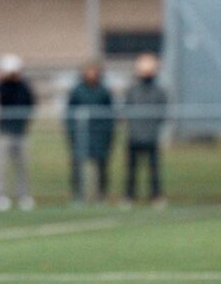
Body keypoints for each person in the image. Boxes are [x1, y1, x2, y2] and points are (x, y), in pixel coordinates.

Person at [65, 61, 116, 204]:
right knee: (78, 165)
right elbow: (69, 112)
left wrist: (107, 132)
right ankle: (78, 195)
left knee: (101, 165)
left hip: (99, 134)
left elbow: (110, 113)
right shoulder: (77, 91)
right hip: (81, 134)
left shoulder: (104, 91)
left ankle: (100, 195)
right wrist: (73, 131)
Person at [124, 53, 168, 208]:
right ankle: (129, 196)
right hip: (134, 136)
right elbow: (127, 109)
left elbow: (163, 112)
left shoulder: (159, 91)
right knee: (131, 169)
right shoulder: (133, 90)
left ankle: (156, 196)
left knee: (154, 169)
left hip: (151, 136)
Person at [0, 54, 35, 212]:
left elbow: (29, 102)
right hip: (4, 131)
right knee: (1, 166)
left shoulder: (24, 86)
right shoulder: (1, 85)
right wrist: (5, 80)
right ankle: (1, 196)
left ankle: (24, 195)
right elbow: (2, 98)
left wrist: (18, 81)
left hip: (21, 131)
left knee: (22, 165)